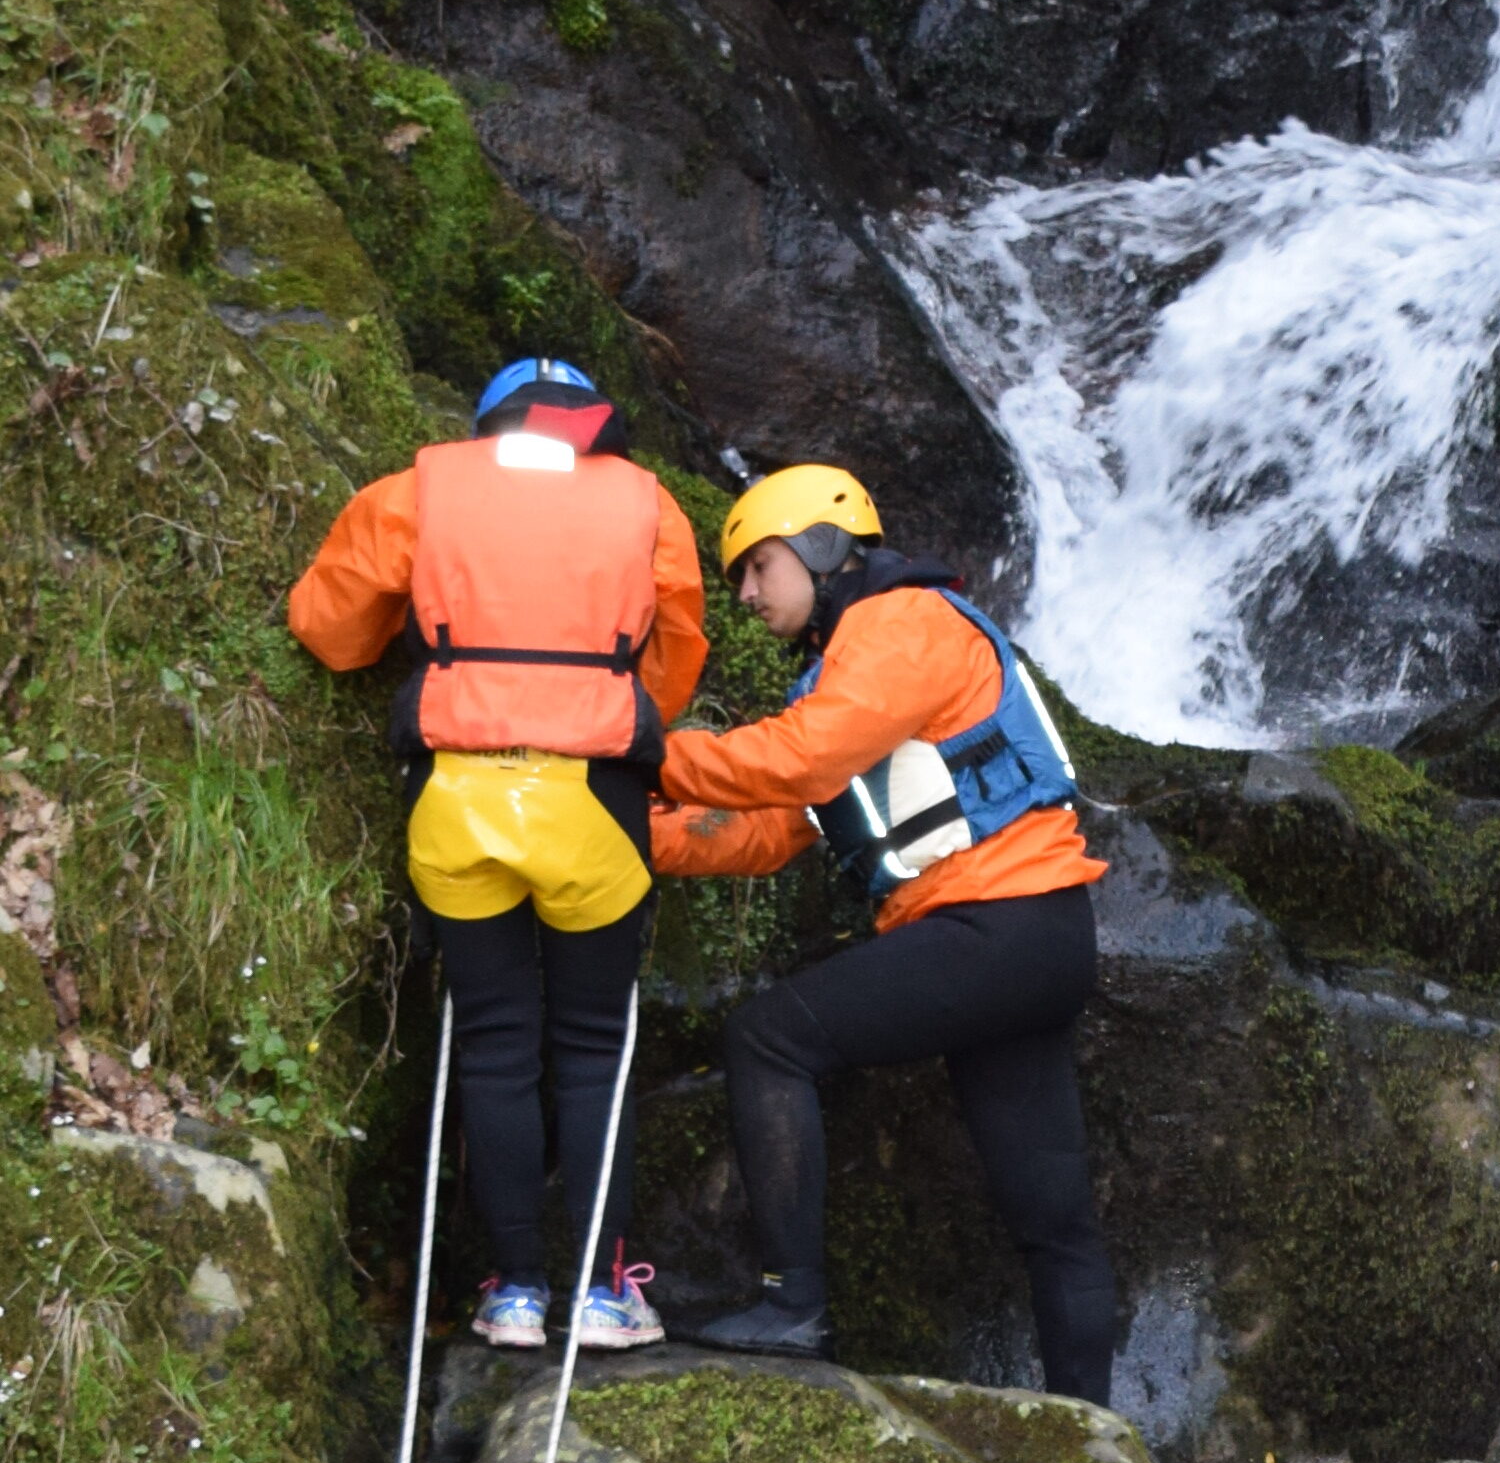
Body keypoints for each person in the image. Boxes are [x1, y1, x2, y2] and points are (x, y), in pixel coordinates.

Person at [651, 466, 1120, 1405]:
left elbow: (798, 758)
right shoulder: (850, 669)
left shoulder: (903, 623)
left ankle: (794, 1305)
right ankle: (1090, 1433)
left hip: (997, 927)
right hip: (1029, 939)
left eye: (759, 566)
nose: (745, 594)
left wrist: (638, 745)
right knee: (1051, 1221)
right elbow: (775, 829)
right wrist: (633, 828)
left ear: (823, 549)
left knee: (768, 1037)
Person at [287, 355, 703, 1352]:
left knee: (495, 1044)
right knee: (595, 1046)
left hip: (456, 794)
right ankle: (604, 1293)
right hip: (590, 800)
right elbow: (674, 663)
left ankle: (515, 1292)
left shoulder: (418, 491)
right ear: (588, 428)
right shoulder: (652, 508)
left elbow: (331, 631)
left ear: (489, 425)